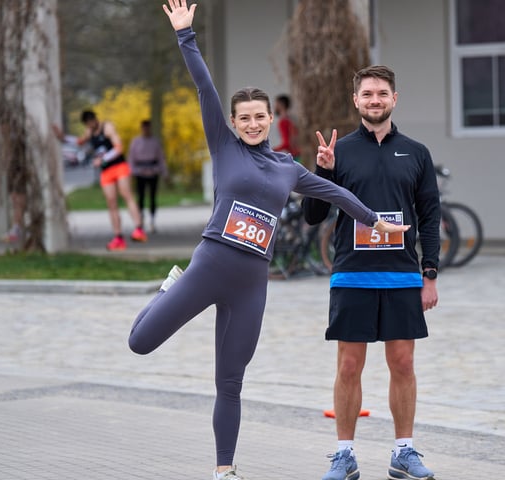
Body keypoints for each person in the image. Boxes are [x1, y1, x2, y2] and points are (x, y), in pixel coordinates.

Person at [128, 3, 409, 479]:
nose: (254, 124)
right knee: (140, 343)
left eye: (261, 117)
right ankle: (166, 289)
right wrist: (185, 34)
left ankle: (224, 470)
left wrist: (375, 223)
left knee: (231, 382)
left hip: (251, 282)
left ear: (269, 120)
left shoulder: (287, 168)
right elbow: (204, 86)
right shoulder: (223, 144)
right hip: (209, 266)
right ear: (234, 123)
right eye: (246, 118)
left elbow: (337, 192)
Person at [302, 65, 441, 480]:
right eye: (367, 94)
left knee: (402, 364)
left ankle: (404, 451)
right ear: (356, 101)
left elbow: (430, 215)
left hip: (401, 276)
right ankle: (344, 455)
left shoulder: (416, 152)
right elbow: (313, 216)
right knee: (348, 366)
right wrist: (323, 170)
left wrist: (429, 273)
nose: (375, 100)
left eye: (382, 93)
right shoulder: (339, 151)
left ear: (394, 99)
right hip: (352, 274)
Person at [54, 111, 148, 250]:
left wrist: (103, 159)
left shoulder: (107, 127)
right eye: (87, 124)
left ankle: (139, 229)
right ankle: (118, 237)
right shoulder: (89, 131)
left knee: (126, 194)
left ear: (94, 119)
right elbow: (80, 141)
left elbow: (119, 148)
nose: (90, 126)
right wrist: (63, 138)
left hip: (119, 166)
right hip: (106, 171)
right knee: (111, 202)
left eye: (90, 123)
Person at [128, 119, 168, 233]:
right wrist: (132, 172)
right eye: (144, 128)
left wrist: (164, 172)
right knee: (140, 197)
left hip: (152, 171)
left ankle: (152, 220)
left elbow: (161, 158)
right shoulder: (136, 142)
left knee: (152, 197)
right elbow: (131, 158)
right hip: (140, 172)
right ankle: (140, 219)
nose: (146, 130)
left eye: (148, 128)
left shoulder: (155, 142)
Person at [272, 94, 300, 162]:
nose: (274, 107)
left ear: (281, 105)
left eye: (276, 104)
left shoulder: (283, 122)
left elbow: (286, 144)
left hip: (293, 156)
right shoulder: (292, 120)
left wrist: (271, 150)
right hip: (297, 154)